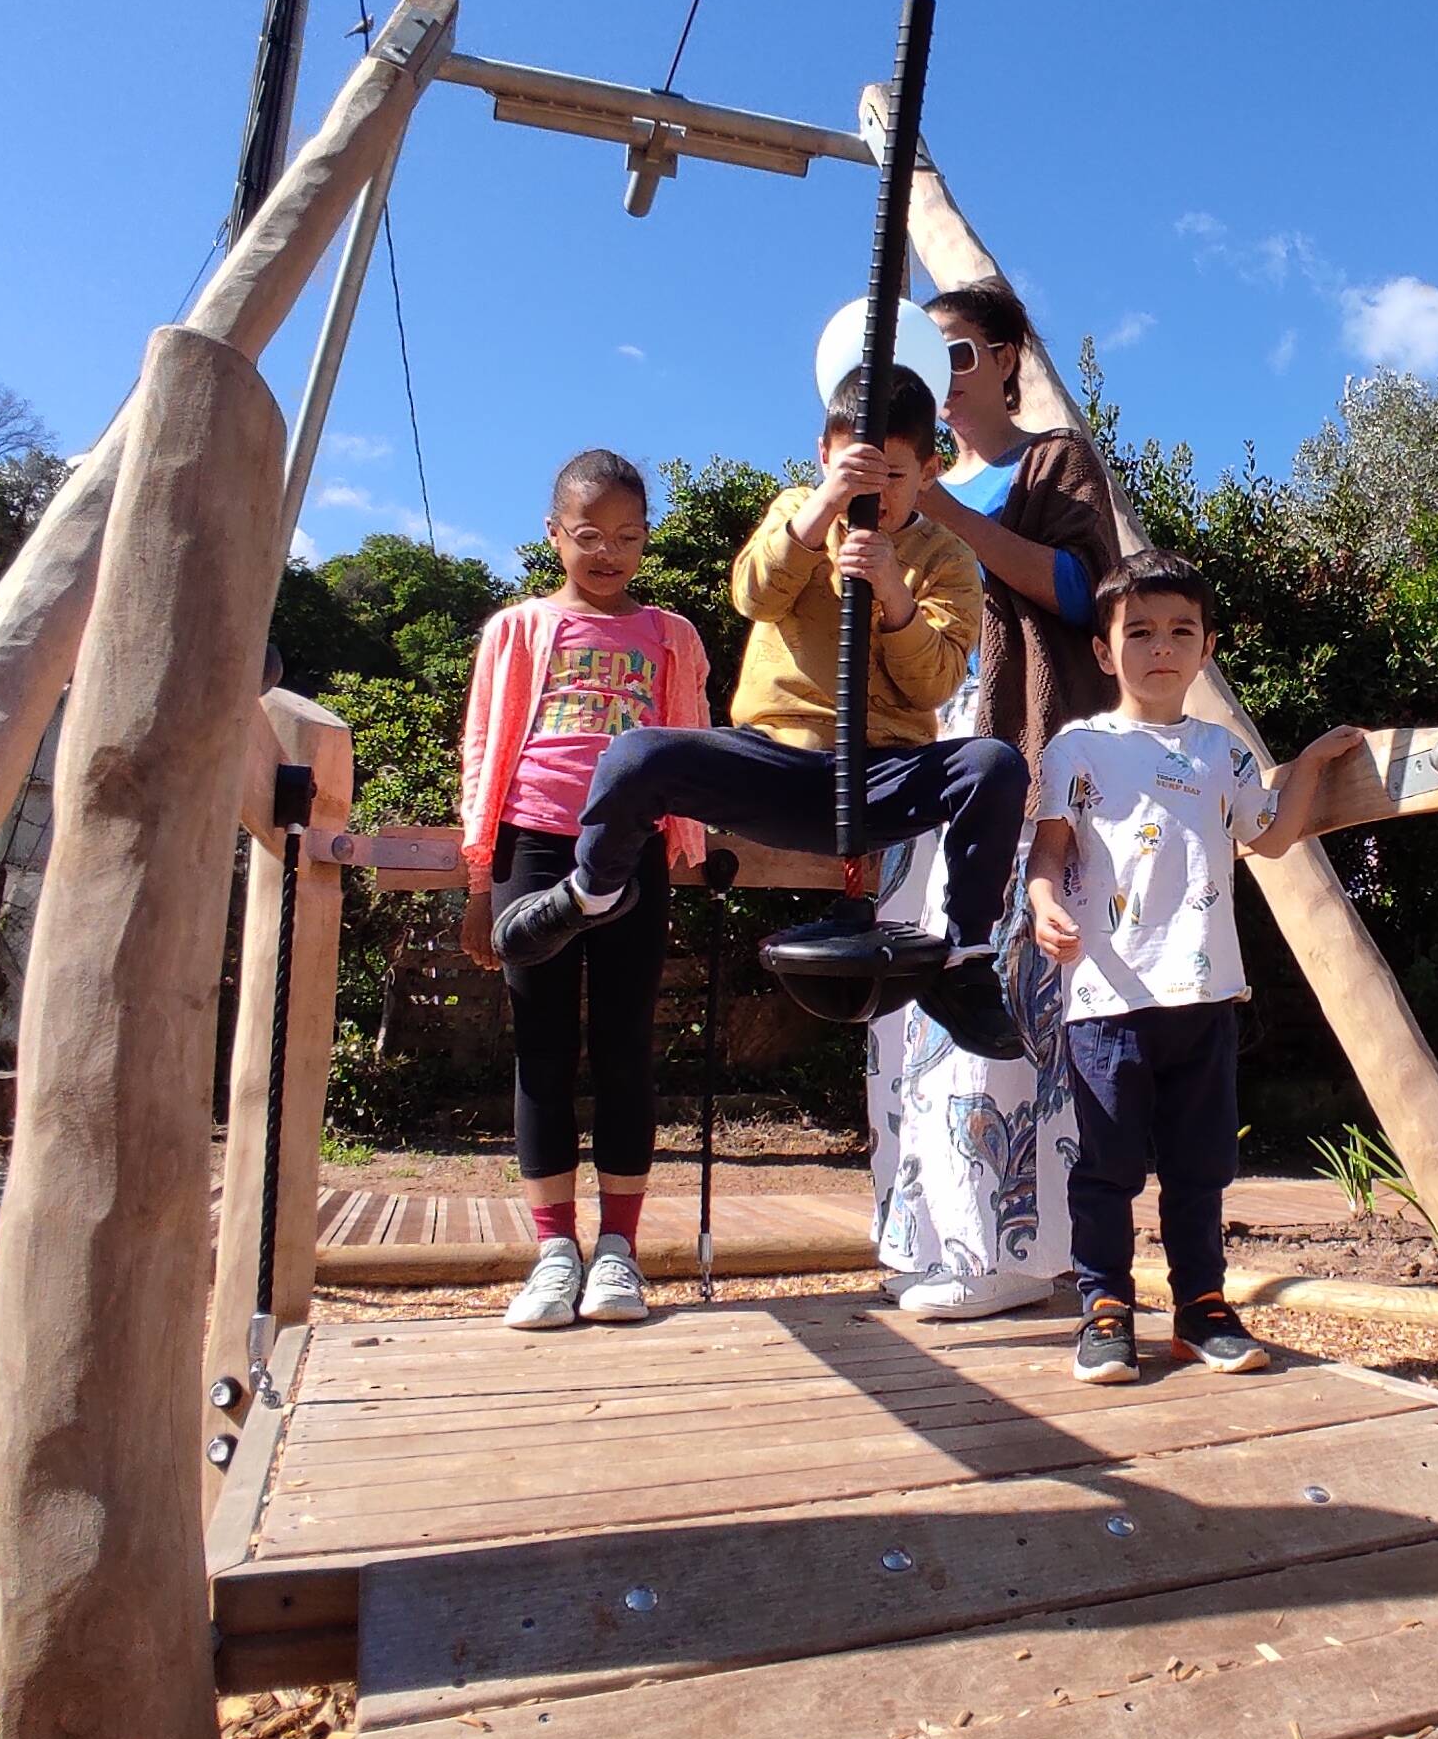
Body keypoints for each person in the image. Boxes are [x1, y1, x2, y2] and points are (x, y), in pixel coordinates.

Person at [492, 365, 1030, 1068]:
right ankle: (593, 892)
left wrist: (893, 592)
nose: (872, 492)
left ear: (930, 472)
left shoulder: (947, 557)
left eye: (893, 476)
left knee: (993, 764)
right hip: (776, 764)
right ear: (823, 457)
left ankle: (965, 958)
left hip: (880, 776)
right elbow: (754, 595)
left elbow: (932, 682)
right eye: (852, 472)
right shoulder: (798, 509)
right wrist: (822, 511)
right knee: (636, 755)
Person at [1027, 550, 1361, 1384]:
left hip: (1206, 994)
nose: (1161, 647)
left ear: (1207, 648)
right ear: (1104, 650)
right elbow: (1049, 850)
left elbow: (1270, 837)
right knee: (1106, 1166)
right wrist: (1042, 903)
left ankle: (1201, 1310)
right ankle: (1105, 1309)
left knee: (1199, 1168)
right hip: (1106, 996)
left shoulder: (1224, 751)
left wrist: (1310, 765)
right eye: (1139, 631)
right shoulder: (1078, 748)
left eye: (1181, 631)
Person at [868, 277, 1127, 1318]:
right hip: (916, 760)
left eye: (960, 352)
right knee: (906, 999)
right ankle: (924, 1236)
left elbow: (1082, 591)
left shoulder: (1052, 461)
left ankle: (1007, 1253)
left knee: (996, 986)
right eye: (925, 358)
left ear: (1010, 356)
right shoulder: (893, 481)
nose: (942, 375)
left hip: (1012, 754)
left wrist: (937, 507)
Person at [458, 450, 712, 1330]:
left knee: (625, 1043)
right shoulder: (517, 628)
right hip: (532, 842)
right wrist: (479, 878)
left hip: (630, 850)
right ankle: (553, 1252)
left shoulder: (672, 634)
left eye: (629, 537)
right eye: (590, 535)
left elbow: (689, 736)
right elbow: (486, 746)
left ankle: (618, 1253)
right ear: (554, 534)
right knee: (542, 1046)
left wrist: (685, 837)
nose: (609, 554)